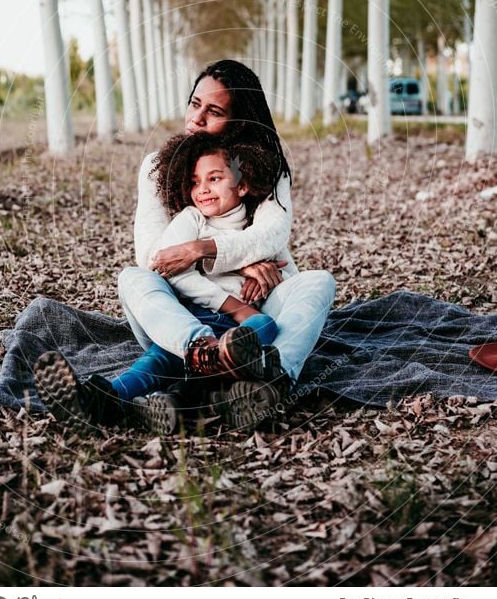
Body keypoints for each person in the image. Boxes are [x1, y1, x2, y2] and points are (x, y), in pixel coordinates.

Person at [34, 60, 336, 432]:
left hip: (259, 306)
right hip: (178, 317)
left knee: (319, 281)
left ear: (238, 121)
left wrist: (200, 251)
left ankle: (268, 383)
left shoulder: (266, 168)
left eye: (214, 111)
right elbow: (153, 258)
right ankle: (205, 357)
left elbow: (271, 237)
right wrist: (238, 261)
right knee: (133, 277)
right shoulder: (158, 168)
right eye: (195, 104)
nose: (196, 118)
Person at [33, 132, 285, 432]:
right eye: (194, 182)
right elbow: (168, 267)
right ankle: (99, 398)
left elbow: (269, 256)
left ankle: (174, 401)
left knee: (265, 327)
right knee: (155, 361)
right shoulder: (192, 219)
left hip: (236, 337)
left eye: (214, 179)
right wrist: (235, 303)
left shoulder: (257, 227)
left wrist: (241, 261)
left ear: (242, 185)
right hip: (188, 324)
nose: (202, 189)